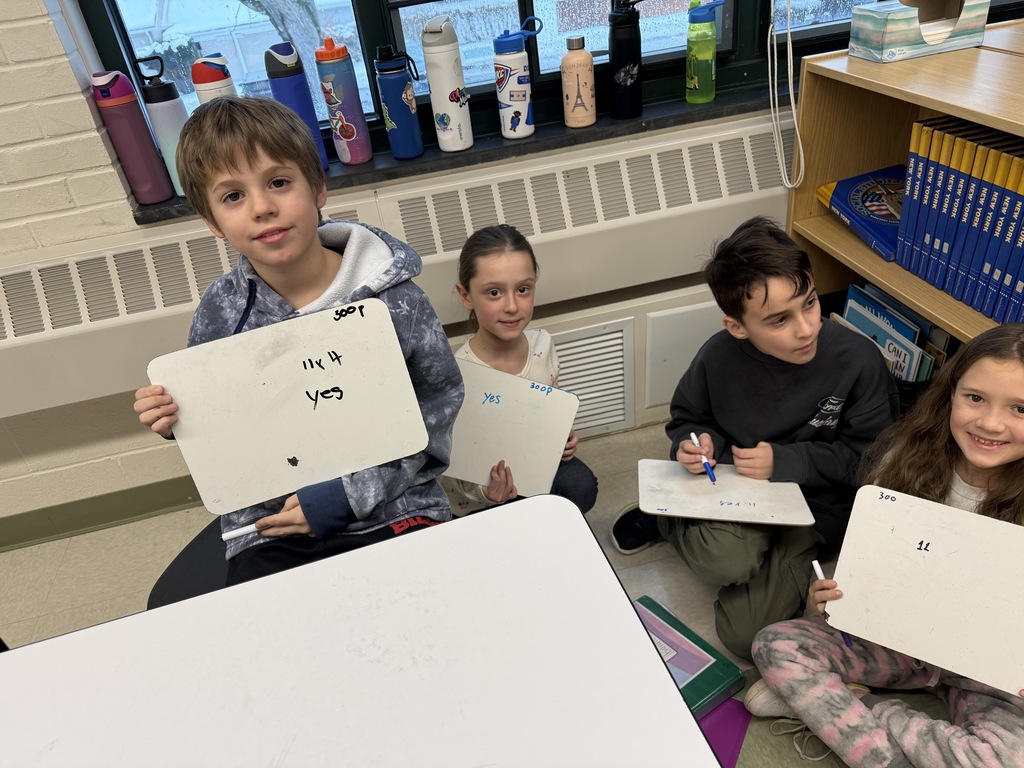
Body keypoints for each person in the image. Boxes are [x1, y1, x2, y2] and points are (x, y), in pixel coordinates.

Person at [134, 97, 463, 585]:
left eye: (279, 183)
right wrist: (177, 419)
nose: (263, 208)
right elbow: (223, 422)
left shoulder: (397, 302)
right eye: (232, 197)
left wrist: (346, 496)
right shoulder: (220, 311)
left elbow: (436, 406)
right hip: (270, 529)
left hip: (394, 508)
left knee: (436, 608)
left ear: (319, 188)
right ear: (211, 222)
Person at [611, 216, 899, 659]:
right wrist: (696, 444)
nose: (805, 328)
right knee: (726, 559)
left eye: (810, 303)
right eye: (779, 320)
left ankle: (747, 554)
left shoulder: (858, 360)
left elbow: (872, 461)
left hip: (816, 511)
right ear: (738, 327)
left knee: (745, 640)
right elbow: (689, 417)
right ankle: (670, 519)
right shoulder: (717, 356)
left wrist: (786, 462)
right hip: (737, 489)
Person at [747, 323, 1024, 767]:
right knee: (775, 642)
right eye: (975, 398)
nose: (990, 423)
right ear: (950, 393)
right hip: (893, 639)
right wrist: (831, 594)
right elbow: (865, 562)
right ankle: (890, 753)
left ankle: (857, 711)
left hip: (986, 669)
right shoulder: (905, 460)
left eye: (1020, 409)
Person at [445, 223, 598, 514]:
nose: (512, 306)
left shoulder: (543, 345)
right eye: (494, 293)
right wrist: (486, 493)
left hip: (534, 468)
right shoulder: (459, 374)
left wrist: (562, 437)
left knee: (581, 486)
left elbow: (547, 409)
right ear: (466, 296)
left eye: (523, 289)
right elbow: (455, 466)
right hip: (480, 496)